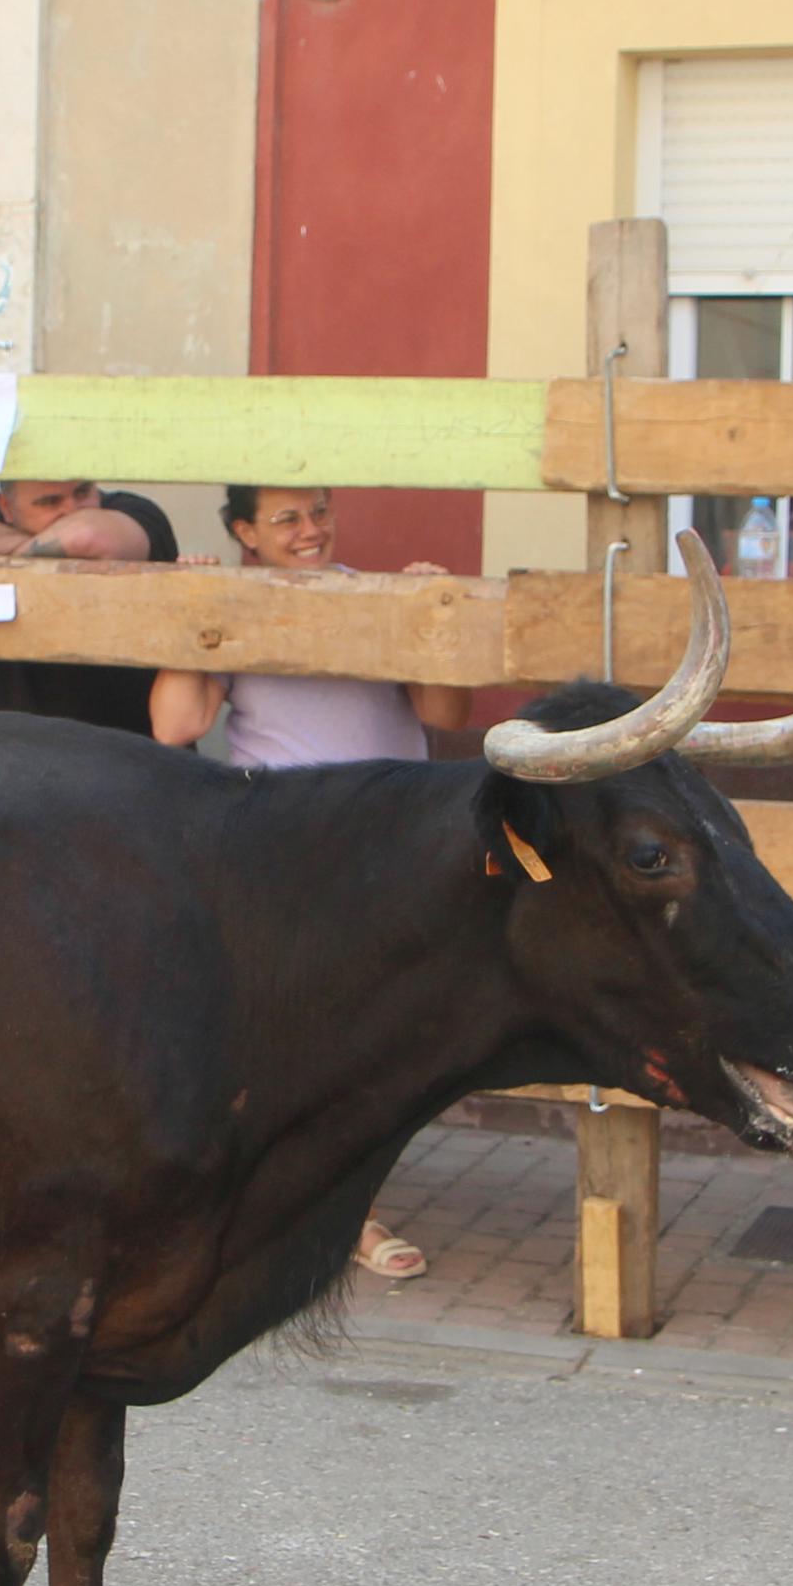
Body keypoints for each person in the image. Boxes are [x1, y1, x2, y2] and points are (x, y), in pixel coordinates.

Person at [150, 485, 473, 1281]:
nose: (310, 530)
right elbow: (176, 725)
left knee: (375, 1036)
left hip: (388, 844)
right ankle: (340, 1216)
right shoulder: (236, 601)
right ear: (244, 532)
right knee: (297, 1035)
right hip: (284, 851)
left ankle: (321, 1204)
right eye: (286, 517)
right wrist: (197, 609)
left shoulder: (374, 596)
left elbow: (446, 708)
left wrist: (430, 613)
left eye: (319, 511)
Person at [0, 477, 183, 734]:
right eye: (50, 502)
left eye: (82, 492)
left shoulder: (134, 511)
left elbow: (88, 536)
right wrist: (40, 552)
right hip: (25, 751)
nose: (72, 509)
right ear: (6, 508)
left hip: (139, 752)